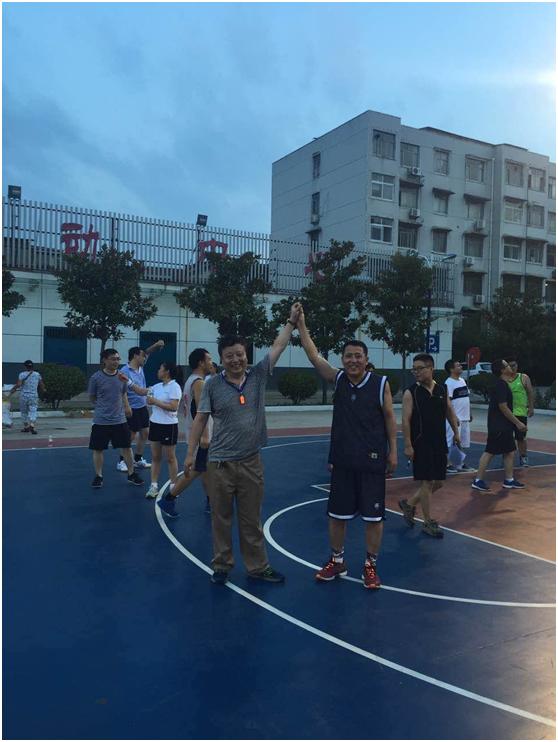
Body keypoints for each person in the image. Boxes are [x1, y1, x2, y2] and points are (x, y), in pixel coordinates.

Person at [184, 303, 301, 585]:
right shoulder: (212, 385)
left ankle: (258, 566)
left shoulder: (258, 375)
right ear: (221, 359)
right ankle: (221, 564)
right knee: (221, 518)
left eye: (239, 354)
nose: (235, 360)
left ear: (245, 354)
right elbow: (200, 419)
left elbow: (278, 346)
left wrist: (291, 322)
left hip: (251, 461)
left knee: (251, 519)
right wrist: (190, 453)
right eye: (229, 356)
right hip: (220, 463)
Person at [297, 309, 397, 589]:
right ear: (342, 360)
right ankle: (337, 560)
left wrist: (393, 451)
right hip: (343, 460)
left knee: (373, 518)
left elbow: (390, 418)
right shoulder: (339, 379)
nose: (353, 360)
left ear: (366, 359)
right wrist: (301, 324)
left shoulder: (380, 384)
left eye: (358, 356)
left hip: (372, 461)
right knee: (337, 516)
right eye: (348, 356)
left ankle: (370, 565)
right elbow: (313, 356)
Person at [399, 353, 460, 539]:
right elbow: (405, 420)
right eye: (414, 369)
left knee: (438, 482)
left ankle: (409, 503)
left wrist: (456, 432)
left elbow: (449, 412)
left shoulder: (442, 389)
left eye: (420, 368)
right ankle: (427, 522)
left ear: (431, 368)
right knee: (427, 482)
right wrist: (408, 445)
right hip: (420, 443)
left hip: (439, 442)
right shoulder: (411, 393)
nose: (416, 372)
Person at [157, 348, 214, 518]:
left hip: (195, 433)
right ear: (201, 362)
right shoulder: (199, 383)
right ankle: (169, 499)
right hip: (202, 436)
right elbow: (201, 412)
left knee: (205, 469)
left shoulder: (191, 380)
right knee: (196, 469)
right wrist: (205, 436)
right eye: (209, 359)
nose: (211, 362)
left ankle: (211, 501)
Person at [88, 349, 144, 489]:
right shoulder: (96, 378)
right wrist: (102, 407)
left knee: (126, 447)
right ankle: (98, 476)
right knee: (98, 449)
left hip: (120, 420)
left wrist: (127, 406)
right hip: (101, 421)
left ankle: (131, 474)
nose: (116, 362)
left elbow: (123, 393)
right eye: (113, 359)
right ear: (104, 360)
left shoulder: (122, 377)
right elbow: (92, 397)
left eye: (118, 359)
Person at [471, 359, 526, 492]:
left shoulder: (503, 384)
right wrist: (517, 422)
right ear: (502, 370)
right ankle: (478, 480)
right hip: (499, 426)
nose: (510, 366)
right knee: (489, 452)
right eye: (507, 365)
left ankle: (509, 480)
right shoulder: (501, 385)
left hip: (503, 425)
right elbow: (503, 406)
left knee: (509, 451)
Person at [116, 339, 165, 472]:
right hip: (131, 407)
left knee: (145, 433)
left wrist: (156, 345)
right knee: (130, 435)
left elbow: (147, 352)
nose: (145, 358)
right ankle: (122, 461)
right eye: (143, 356)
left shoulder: (140, 367)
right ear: (136, 356)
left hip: (142, 406)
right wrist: (126, 406)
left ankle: (137, 459)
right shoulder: (124, 371)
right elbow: (122, 391)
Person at [141, 361, 183, 499]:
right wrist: (149, 398)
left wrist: (155, 401)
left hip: (169, 426)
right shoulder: (156, 386)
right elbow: (147, 397)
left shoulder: (175, 387)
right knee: (155, 457)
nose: (158, 370)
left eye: (160, 368)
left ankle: (173, 487)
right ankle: (153, 486)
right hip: (155, 424)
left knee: (170, 457)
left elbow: (173, 407)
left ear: (167, 372)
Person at [444, 359, 476, 474]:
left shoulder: (462, 380)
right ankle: (447, 464)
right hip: (454, 418)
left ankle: (459, 464)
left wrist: (469, 413)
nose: (461, 367)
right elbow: (448, 402)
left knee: (459, 442)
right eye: (458, 365)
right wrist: (453, 417)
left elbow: (466, 397)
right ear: (451, 369)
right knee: (450, 441)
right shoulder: (448, 383)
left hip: (464, 417)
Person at [506, 358, 535, 467]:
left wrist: (531, 407)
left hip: (521, 413)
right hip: (507, 413)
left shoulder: (523, 377)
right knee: (507, 437)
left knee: (521, 438)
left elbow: (530, 392)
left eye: (514, 365)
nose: (512, 367)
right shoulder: (504, 379)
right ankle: (507, 458)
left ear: (517, 366)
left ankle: (523, 457)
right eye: (510, 365)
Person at [9, 360, 46, 435]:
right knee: (33, 410)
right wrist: (44, 390)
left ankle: (26, 427)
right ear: (32, 366)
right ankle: (32, 425)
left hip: (24, 396)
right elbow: (42, 385)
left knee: (24, 412)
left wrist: (12, 390)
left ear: (25, 366)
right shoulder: (37, 374)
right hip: (33, 396)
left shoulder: (22, 374)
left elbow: (19, 385)